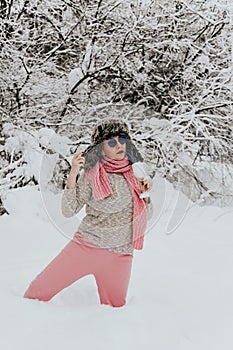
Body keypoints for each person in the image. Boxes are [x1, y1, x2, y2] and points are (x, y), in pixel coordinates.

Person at [24, 118, 153, 307]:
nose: (119, 145)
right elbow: (68, 210)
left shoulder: (134, 174)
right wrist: (73, 173)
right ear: (101, 148)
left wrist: (146, 196)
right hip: (85, 248)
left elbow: (143, 216)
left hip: (121, 255)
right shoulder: (92, 175)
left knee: (115, 313)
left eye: (122, 140)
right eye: (111, 142)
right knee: (35, 295)